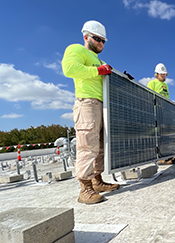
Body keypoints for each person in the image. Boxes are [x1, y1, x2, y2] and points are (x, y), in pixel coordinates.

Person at [62, 20, 120, 204]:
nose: (101, 43)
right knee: (87, 146)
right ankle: (85, 189)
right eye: (97, 39)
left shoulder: (99, 60)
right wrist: (98, 71)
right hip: (87, 103)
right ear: (86, 36)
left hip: (102, 105)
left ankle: (97, 181)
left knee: (101, 146)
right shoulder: (77, 49)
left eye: (103, 41)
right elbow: (69, 68)